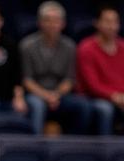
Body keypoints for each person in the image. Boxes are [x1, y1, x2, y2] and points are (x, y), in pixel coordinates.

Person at [20, 1, 88, 135]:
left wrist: (56, 95)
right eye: (48, 21)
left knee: (83, 106)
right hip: (35, 94)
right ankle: (35, 147)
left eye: (56, 21)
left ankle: (75, 148)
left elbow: (69, 79)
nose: (52, 25)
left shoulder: (70, 46)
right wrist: (46, 96)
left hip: (60, 94)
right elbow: (27, 80)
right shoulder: (27, 45)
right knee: (37, 106)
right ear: (40, 22)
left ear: (63, 24)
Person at [75, 4, 124, 136]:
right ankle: (105, 151)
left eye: (115, 22)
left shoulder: (123, 47)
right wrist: (114, 97)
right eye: (107, 21)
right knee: (105, 109)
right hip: (93, 97)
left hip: (120, 97)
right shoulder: (86, 48)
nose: (112, 26)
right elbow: (92, 85)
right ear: (97, 23)